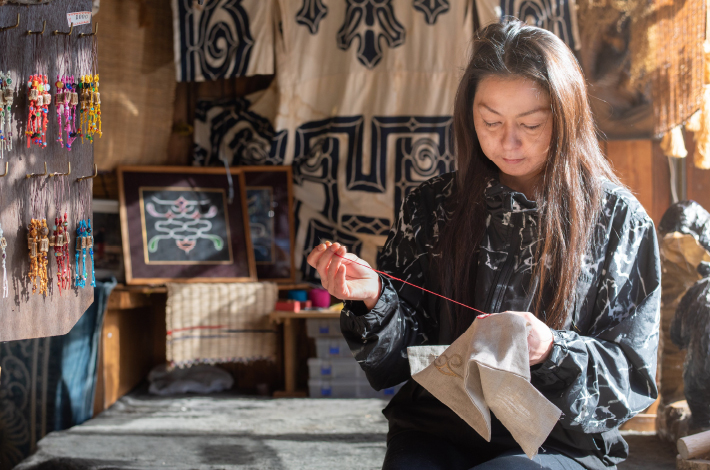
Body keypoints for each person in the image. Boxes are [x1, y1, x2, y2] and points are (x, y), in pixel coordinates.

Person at [306, 20, 661, 470]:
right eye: (490, 121)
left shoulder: (617, 220)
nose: (507, 142)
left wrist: (552, 348)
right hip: (439, 429)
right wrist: (373, 299)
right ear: (468, 114)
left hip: (558, 442)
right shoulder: (431, 205)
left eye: (530, 124)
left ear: (566, 116)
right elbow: (402, 361)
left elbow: (631, 376)